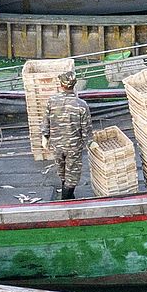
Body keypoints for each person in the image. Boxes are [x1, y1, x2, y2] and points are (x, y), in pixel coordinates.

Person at [43, 68, 94, 200]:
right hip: (73, 147)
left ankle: (67, 196)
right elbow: (86, 130)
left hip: (57, 145)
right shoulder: (81, 105)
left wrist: (45, 137)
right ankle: (66, 200)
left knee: (62, 171)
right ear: (75, 83)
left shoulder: (51, 101)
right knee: (72, 174)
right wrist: (91, 143)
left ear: (61, 85)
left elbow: (46, 121)